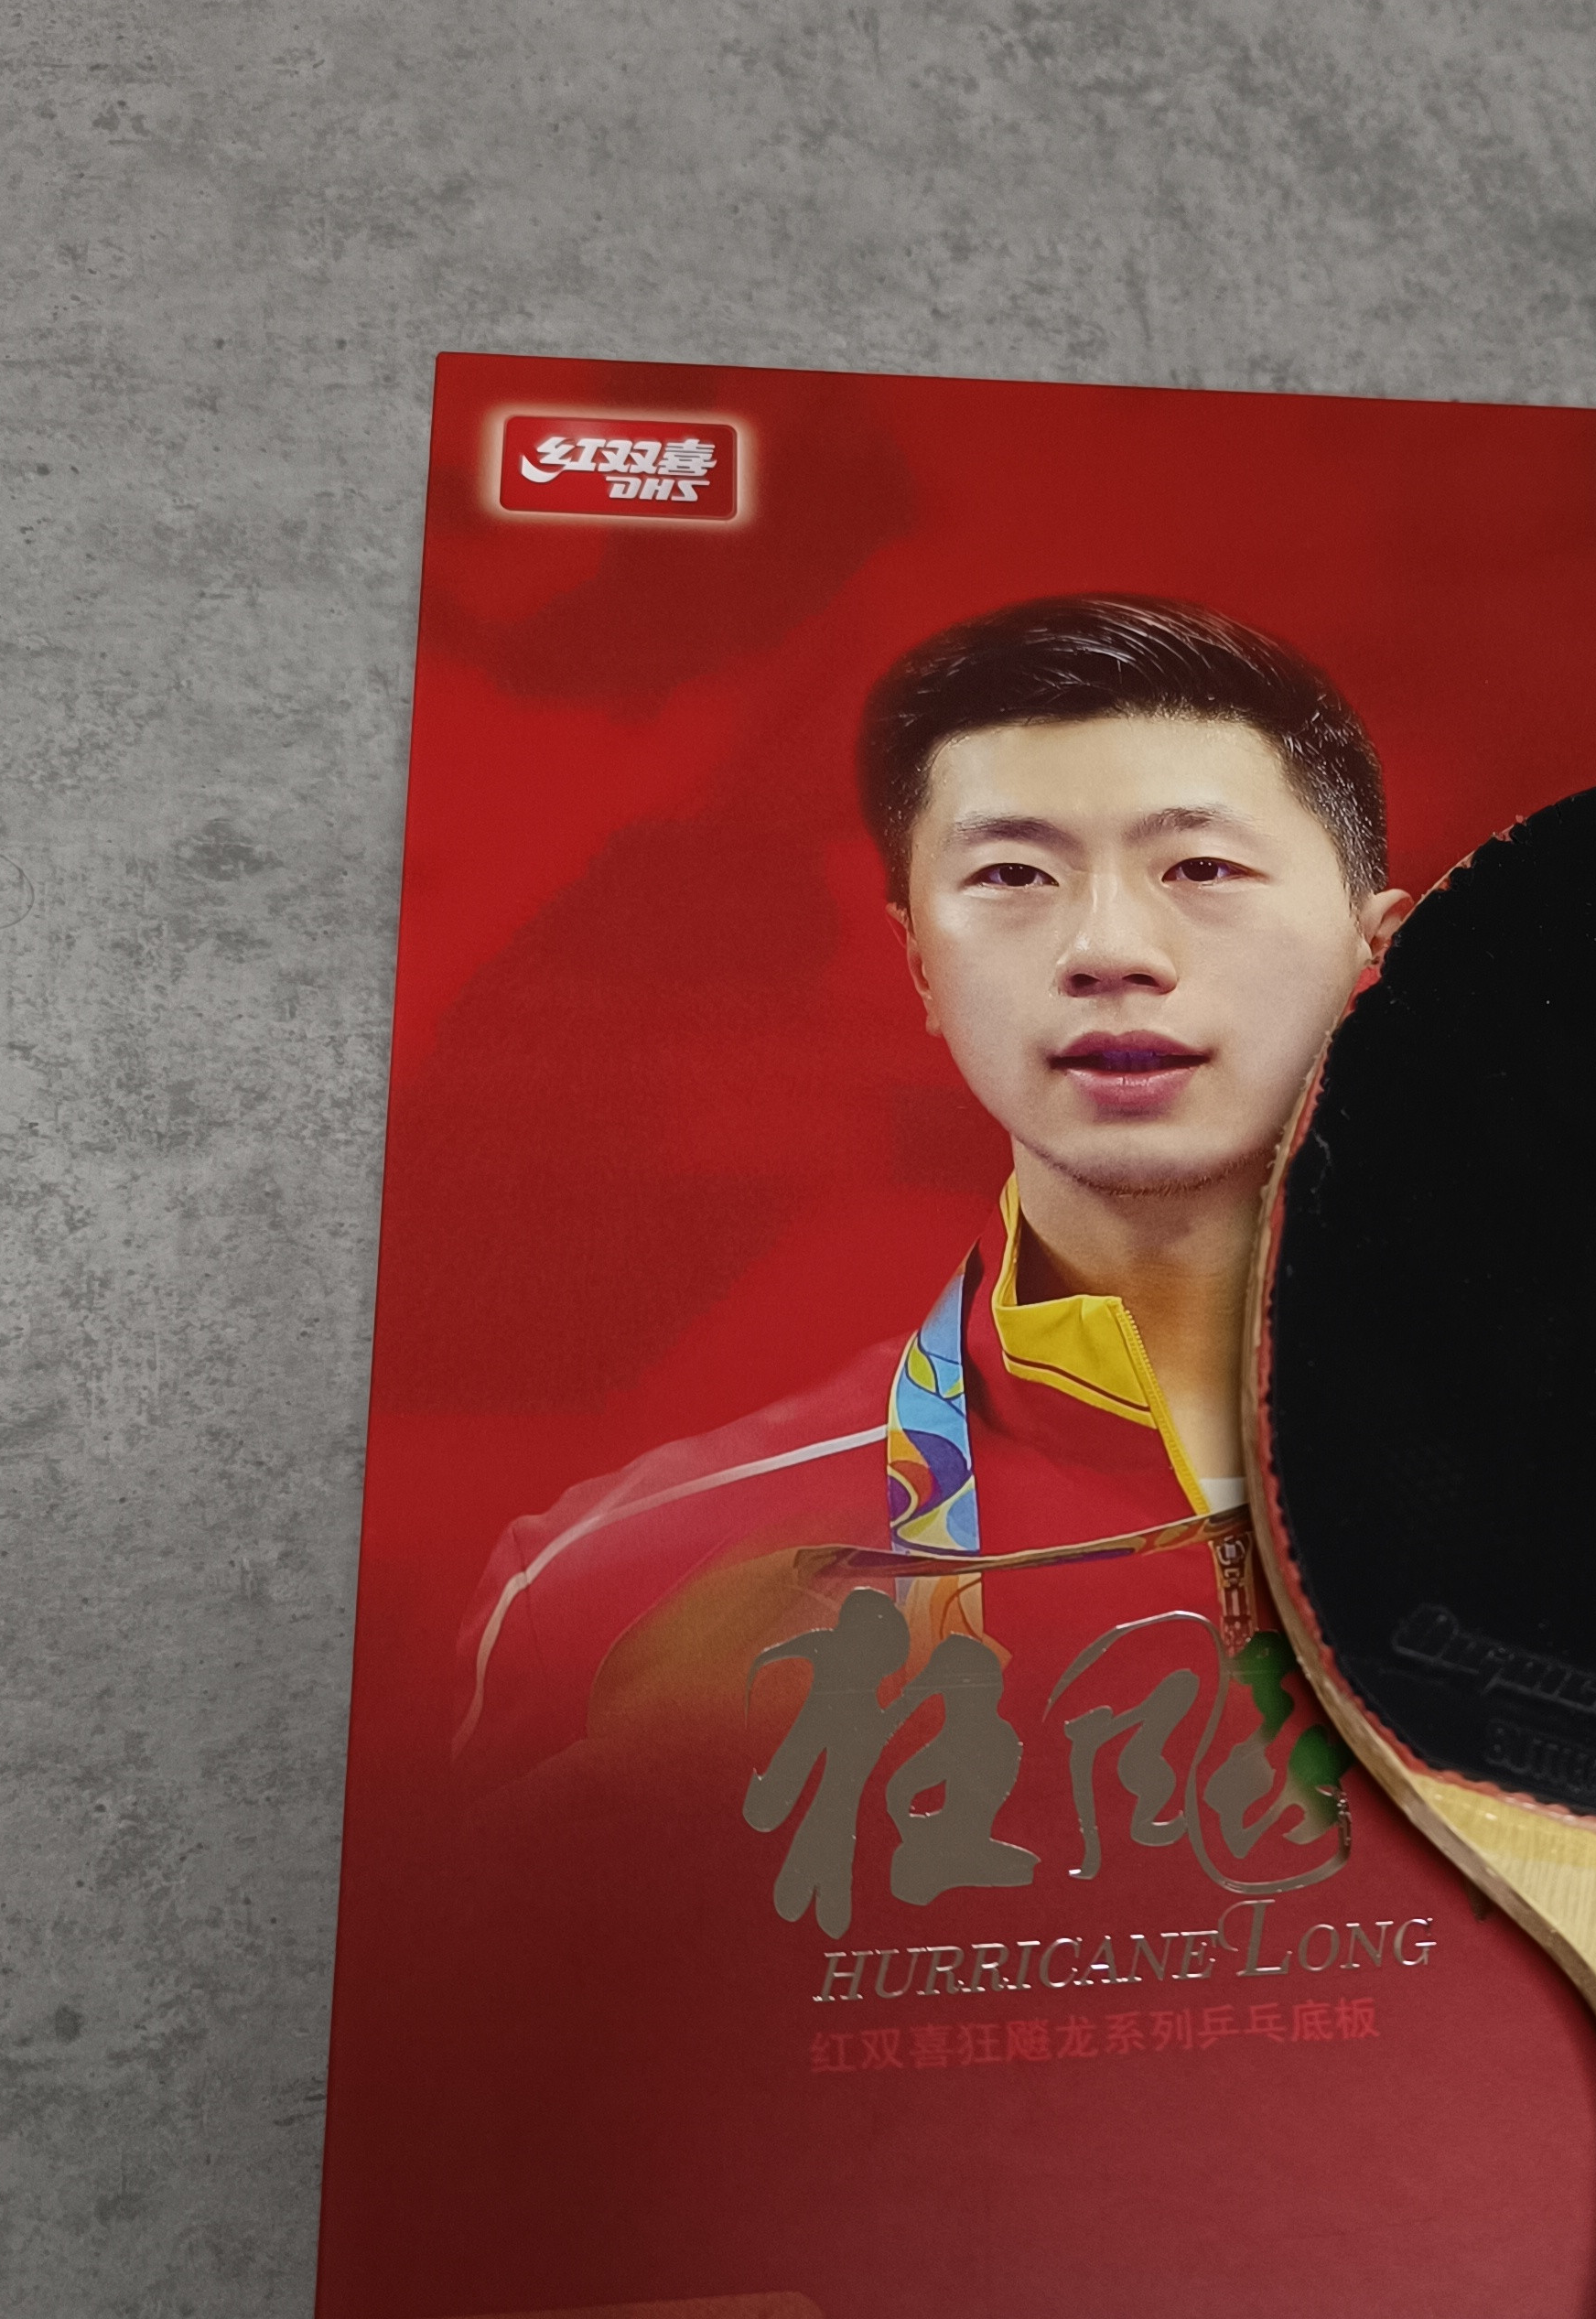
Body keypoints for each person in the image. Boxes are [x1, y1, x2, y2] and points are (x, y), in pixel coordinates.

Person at [455, 594, 1409, 1802]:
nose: (1108, 949)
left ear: (1379, 952)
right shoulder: (609, 1587)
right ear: (920, 967)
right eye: (1013, 874)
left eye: (1202, 867)